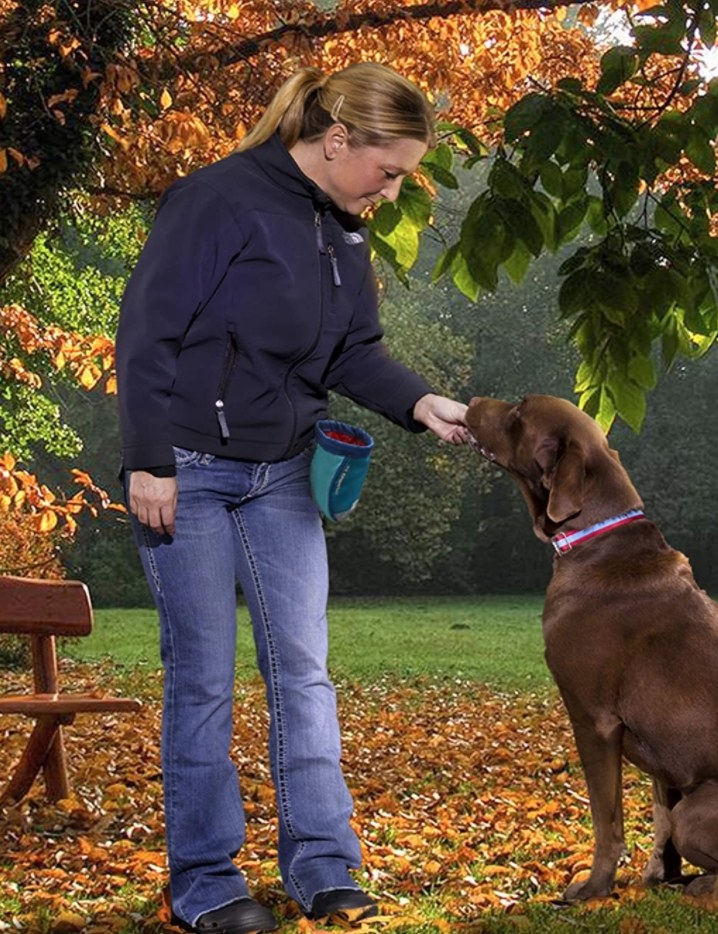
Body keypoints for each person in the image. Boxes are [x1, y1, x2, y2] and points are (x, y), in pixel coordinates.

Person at [115, 62, 469, 934]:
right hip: (188, 473)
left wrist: (421, 401)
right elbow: (147, 331)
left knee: (302, 676)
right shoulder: (215, 201)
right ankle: (206, 883)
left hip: (283, 477)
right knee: (200, 682)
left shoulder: (343, 237)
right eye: (388, 171)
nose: (390, 191)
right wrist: (147, 461)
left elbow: (354, 355)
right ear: (339, 140)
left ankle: (323, 867)